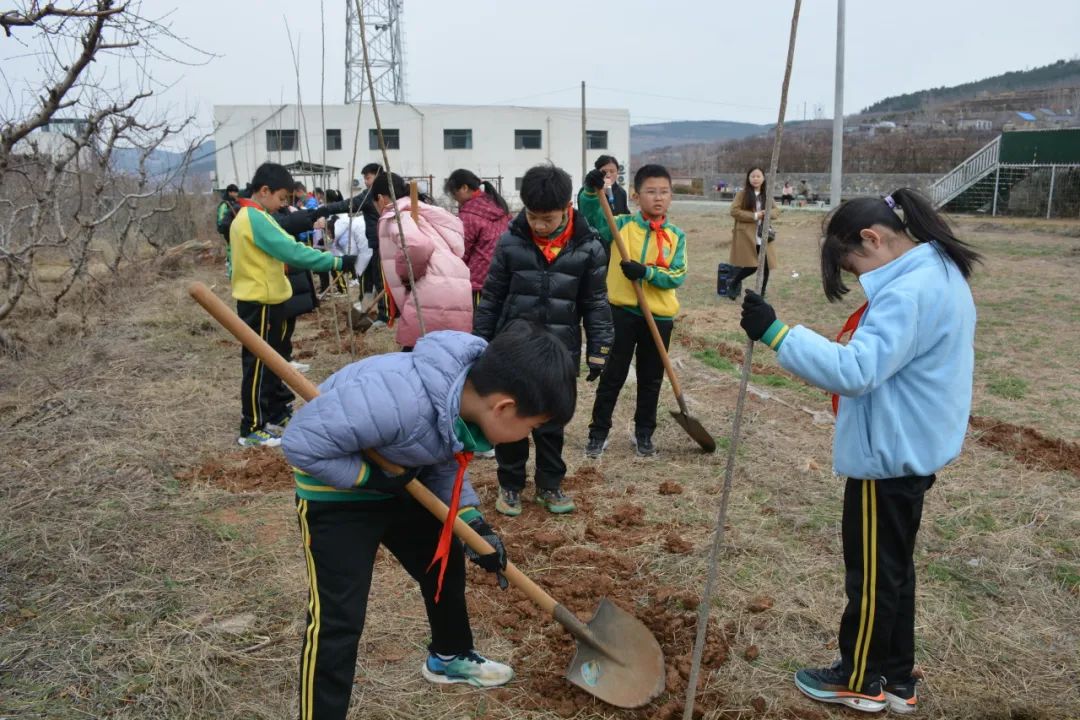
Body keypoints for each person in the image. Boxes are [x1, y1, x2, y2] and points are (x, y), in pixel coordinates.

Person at [738, 188, 980, 715]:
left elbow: (856, 370)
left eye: (852, 265)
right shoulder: (939, 269)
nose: (856, 275)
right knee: (893, 570)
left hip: (888, 455)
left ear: (873, 239)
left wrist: (778, 334)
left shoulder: (908, 291)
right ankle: (897, 676)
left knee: (871, 578)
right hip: (912, 445)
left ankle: (860, 677)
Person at [282, 321, 578, 720]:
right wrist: (369, 478)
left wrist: (474, 525)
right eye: (533, 427)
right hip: (337, 491)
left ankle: (449, 655)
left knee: (442, 565)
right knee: (339, 618)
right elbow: (301, 443)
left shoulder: (461, 397)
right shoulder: (396, 399)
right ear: (504, 407)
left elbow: (441, 459)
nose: (528, 435)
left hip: (402, 477)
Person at [474, 164, 612, 516]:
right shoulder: (510, 242)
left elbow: (596, 303)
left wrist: (599, 349)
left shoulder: (589, 247)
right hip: (513, 350)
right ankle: (510, 484)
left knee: (551, 423)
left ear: (567, 208)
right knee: (511, 420)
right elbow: (491, 297)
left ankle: (550, 485)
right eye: (532, 216)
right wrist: (479, 342)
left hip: (559, 351)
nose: (538, 225)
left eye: (547, 218)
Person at [229, 162, 359, 447]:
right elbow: (291, 251)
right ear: (265, 191)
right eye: (281, 198)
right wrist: (336, 262)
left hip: (268, 300)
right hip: (259, 303)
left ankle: (276, 411)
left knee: (275, 360)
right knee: (258, 365)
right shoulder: (254, 218)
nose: (282, 204)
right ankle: (251, 426)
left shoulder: (255, 216)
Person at [579, 163, 686, 459]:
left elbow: (678, 274)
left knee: (651, 379)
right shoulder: (620, 225)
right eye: (651, 191)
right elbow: (591, 216)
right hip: (622, 314)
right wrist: (590, 192)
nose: (658, 197)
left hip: (659, 317)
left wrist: (646, 273)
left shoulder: (676, 235)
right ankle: (598, 432)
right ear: (637, 196)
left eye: (664, 192)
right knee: (612, 375)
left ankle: (644, 433)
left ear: (671, 196)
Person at [372, 171, 473, 350]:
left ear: (380, 198)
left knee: (417, 356)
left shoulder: (397, 216)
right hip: (456, 289)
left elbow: (416, 245)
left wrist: (408, 275)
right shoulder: (423, 212)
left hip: (430, 293)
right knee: (449, 354)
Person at [445, 169, 511, 307]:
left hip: (479, 282)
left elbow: (461, 251)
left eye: (454, 193)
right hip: (503, 276)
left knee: (479, 318)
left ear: (464, 188)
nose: (454, 198)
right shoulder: (497, 205)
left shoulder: (469, 214)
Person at [717, 167, 780, 301]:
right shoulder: (742, 194)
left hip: (763, 234)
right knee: (752, 265)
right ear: (748, 178)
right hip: (747, 234)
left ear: (763, 178)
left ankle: (761, 294)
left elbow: (776, 211)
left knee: (766, 266)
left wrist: (767, 213)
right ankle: (733, 283)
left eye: (758, 176)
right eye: (753, 176)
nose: (755, 179)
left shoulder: (766, 194)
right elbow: (734, 211)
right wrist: (755, 215)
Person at [358, 163, 389, 326]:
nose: (365, 182)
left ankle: (384, 315)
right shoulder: (369, 196)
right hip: (373, 245)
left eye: (368, 178)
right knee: (372, 280)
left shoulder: (373, 196)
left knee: (380, 280)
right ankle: (369, 309)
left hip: (380, 245)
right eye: (364, 178)